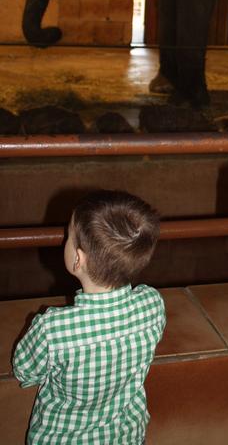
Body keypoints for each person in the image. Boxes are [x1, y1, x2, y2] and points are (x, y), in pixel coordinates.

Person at [13, 190, 165, 445]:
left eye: (68, 236)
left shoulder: (53, 329)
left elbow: (24, 371)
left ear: (77, 259)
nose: (65, 240)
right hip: (126, 436)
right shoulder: (152, 305)